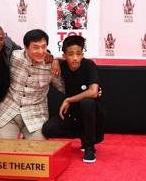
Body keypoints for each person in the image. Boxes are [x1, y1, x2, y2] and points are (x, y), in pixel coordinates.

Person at [42, 35, 106, 163]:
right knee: (48, 129)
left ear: (82, 54)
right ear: (65, 56)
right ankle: (84, 135)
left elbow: (93, 92)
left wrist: (68, 100)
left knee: (87, 102)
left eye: (78, 54)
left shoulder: (89, 65)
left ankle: (89, 147)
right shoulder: (62, 65)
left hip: (93, 117)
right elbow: (55, 60)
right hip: (73, 115)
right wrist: (54, 60)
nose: (75, 58)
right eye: (71, 54)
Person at [0, 29, 65, 140]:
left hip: (35, 116)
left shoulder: (51, 66)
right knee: (3, 151)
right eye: (36, 47)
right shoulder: (14, 57)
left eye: (44, 47)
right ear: (26, 47)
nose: (41, 51)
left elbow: (64, 87)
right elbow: (1, 40)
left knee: (38, 154)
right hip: (9, 112)